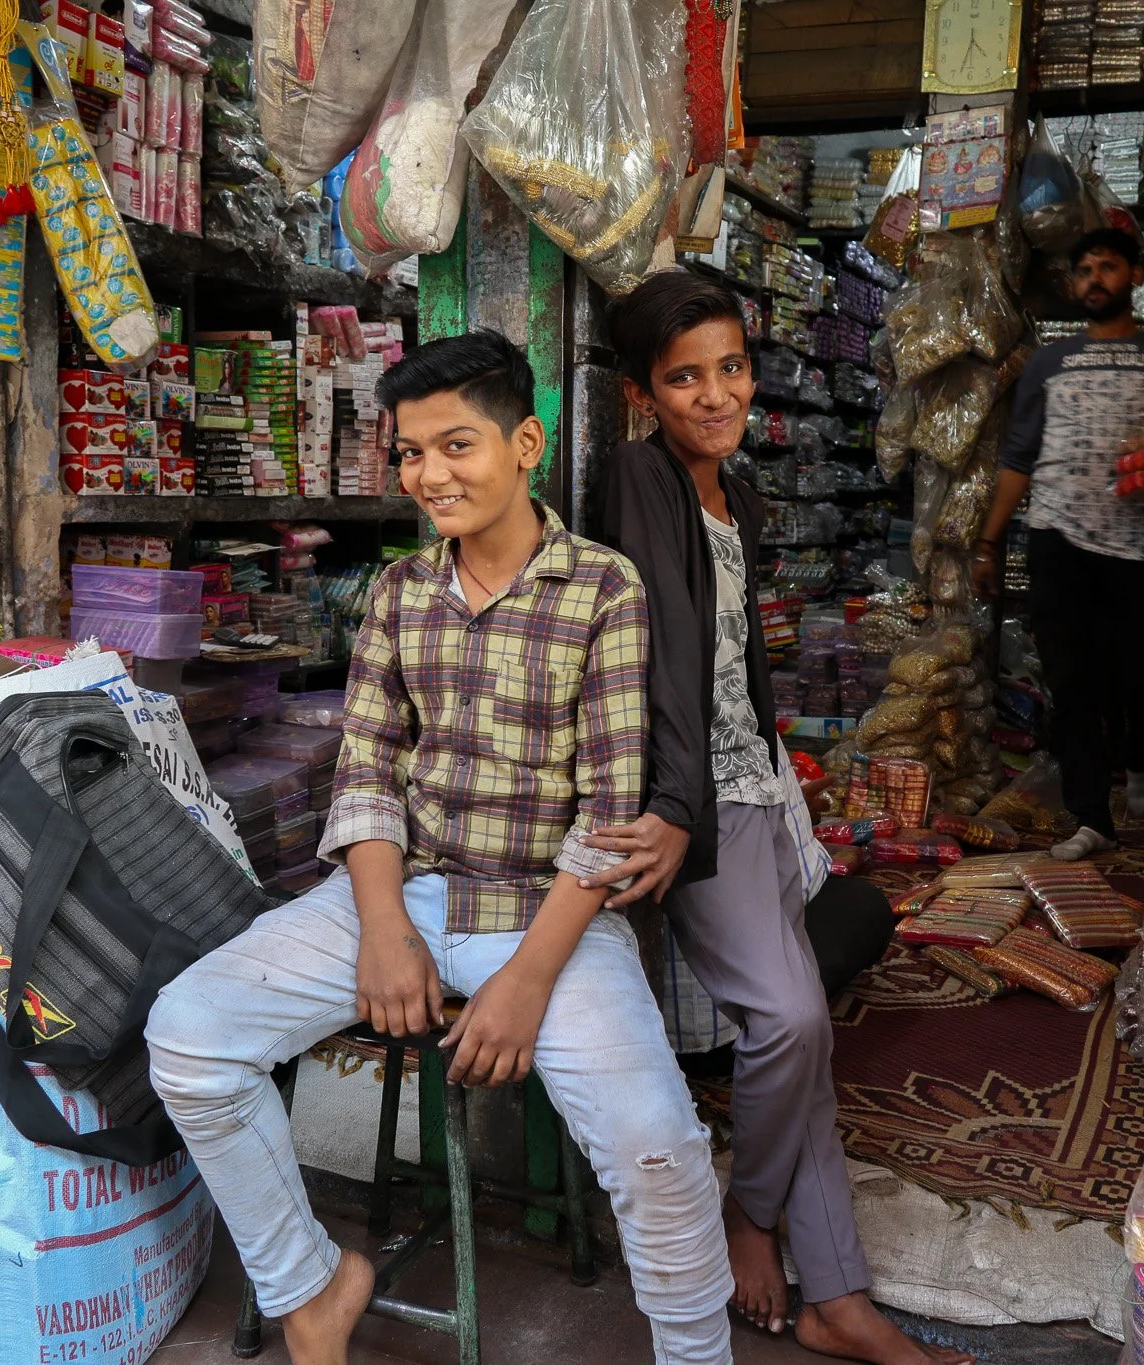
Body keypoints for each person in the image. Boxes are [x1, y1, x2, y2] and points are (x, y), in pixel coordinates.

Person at [145, 331, 734, 1365]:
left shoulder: (603, 590)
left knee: (658, 1149)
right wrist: (381, 932)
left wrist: (524, 982)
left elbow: (607, 816)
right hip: (400, 894)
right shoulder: (399, 592)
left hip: (551, 912)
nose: (428, 475)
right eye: (410, 453)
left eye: (454, 446)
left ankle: (697, 1355)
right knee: (188, 1037)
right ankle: (312, 1285)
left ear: (525, 445)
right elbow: (365, 774)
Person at [584, 266, 973, 1365]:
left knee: (798, 1012)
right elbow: (654, 659)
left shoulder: (732, 493)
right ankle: (751, 1217)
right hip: (694, 803)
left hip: (758, 791)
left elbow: (733, 664)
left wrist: (788, 789)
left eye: (731, 369)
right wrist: (669, 807)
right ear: (641, 394)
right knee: (791, 1022)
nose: (716, 396)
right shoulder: (639, 477)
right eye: (684, 378)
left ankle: (835, 1297)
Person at [973, 228, 1144, 862]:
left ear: (1135, 276)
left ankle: (1137, 757)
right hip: (1058, 540)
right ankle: (1089, 816)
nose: (1093, 280)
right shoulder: (1048, 364)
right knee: (1070, 682)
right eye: (1083, 271)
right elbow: (1019, 456)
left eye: (1106, 267)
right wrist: (989, 543)